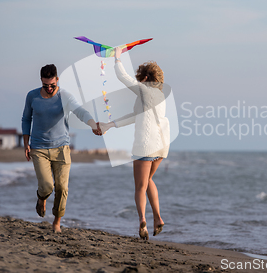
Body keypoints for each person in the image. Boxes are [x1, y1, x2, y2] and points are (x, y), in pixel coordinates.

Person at [98, 47, 170, 240]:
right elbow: (133, 117)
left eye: (140, 78)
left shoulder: (145, 91)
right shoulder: (159, 97)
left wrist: (118, 57)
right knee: (148, 181)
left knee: (139, 186)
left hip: (145, 145)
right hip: (162, 146)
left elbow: (124, 78)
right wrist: (110, 125)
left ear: (145, 78)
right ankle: (158, 218)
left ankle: (142, 222)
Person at [22, 64, 100, 232]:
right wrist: (25, 142)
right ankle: (41, 197)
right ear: (41, 81)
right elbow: (26, 119)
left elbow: (80, 111)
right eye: (45, 85)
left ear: (57, 80)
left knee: (62, 188)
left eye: (52, 85)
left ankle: (57, 222)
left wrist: (93, 124)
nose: (49, 89)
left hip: (61, 148)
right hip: (39, 148)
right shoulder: (32, 96)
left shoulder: (65, 96)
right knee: (47, 185)